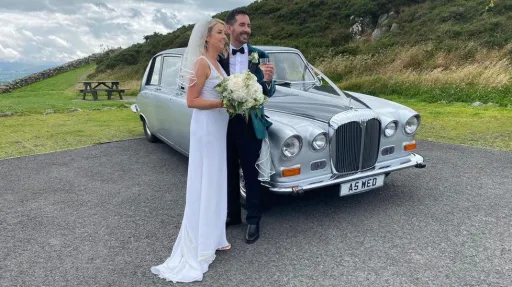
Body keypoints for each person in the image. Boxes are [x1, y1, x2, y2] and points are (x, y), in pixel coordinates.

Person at [150, 18, 231, 283]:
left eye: (224, 33)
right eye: (220, 33)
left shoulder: (218, 63)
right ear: (206, 38)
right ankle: (202, 242)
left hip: (218, 130)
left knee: (217, 179)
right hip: (206, 130)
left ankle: (216, 236)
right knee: (206, 181)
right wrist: (223, 102)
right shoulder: (201, 63)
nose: (224, 37)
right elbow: (191, 100)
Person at [218, 8, 276, 244]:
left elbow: (269, 92)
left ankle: (253, 219)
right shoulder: (217, 55)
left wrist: (269, 81)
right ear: (230, 28)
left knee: (251, 174)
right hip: (222, 123)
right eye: (242, 25)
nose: (247, 30)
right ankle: (233, 216)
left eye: (249, 25)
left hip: (250, 123)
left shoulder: (259, 55)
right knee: (228, 170)